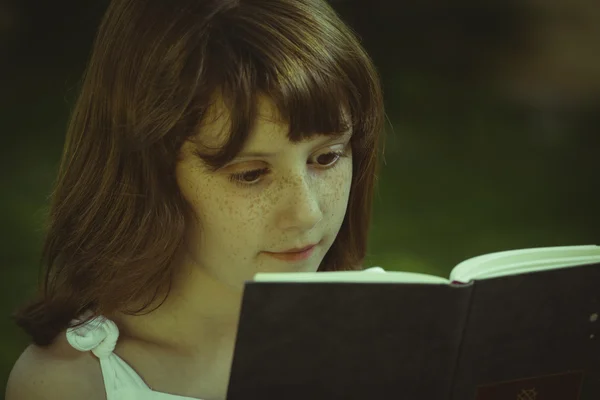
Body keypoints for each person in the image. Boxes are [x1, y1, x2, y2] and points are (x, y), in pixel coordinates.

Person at [6, 0, 385, 398]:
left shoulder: (379, 342)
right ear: (150, 175)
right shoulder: (71, 385)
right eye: (250, 174)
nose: (307, 213)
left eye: (326, 158)